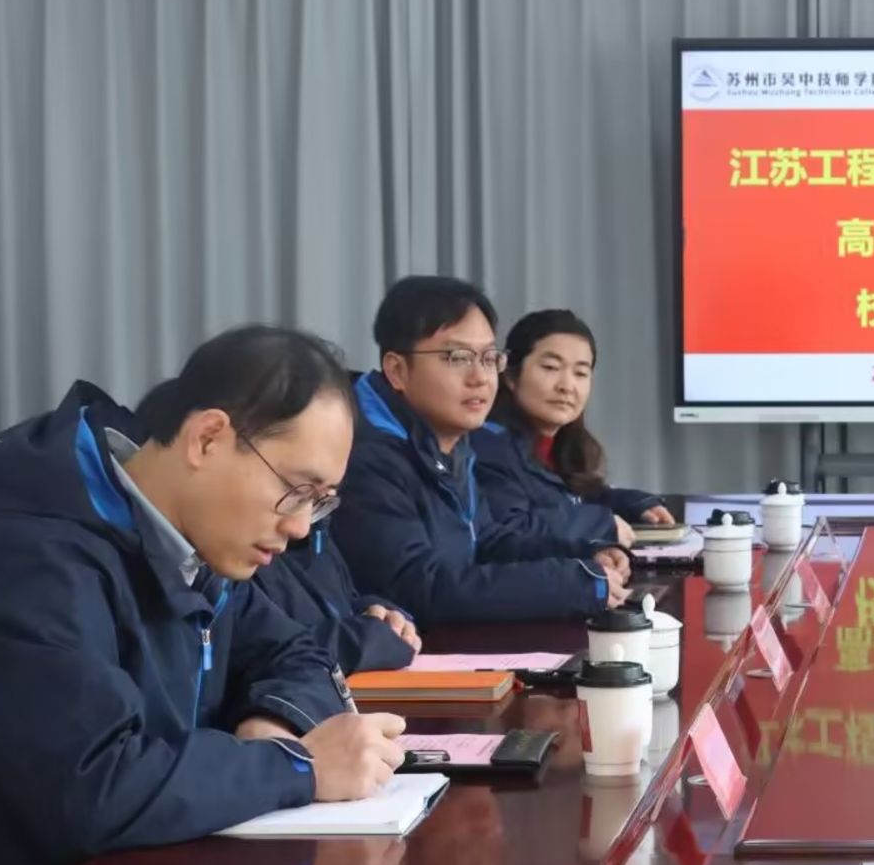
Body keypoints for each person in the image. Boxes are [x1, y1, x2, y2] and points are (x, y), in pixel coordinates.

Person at [0, 327, 406, 865]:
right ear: (208, 438)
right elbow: (93, 784)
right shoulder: (29, 554)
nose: (302, 527)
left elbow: (294, 649)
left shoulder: (195, 541)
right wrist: (296, 768)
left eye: (321, 501)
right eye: (296, 491)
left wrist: (272, 721)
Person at [333, 276, 634, 624]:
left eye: (489, 358)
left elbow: (486, 540)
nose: (480, 377)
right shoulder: (363, 454)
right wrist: (569, 585)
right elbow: (418, 586)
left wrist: (584, 556)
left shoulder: (449, 438)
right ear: (398, 370)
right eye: (458, 357)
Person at [477, 309, 673, 563]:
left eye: (580, 373)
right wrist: (601, 524)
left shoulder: (561, 446)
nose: (567, 386)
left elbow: (580, 498)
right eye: (551, 367)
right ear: (512, 376)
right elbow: (511, 529)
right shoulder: (489, 446)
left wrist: (638, 504)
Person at [255, 519, 420, 675]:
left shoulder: (318, 530)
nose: (301, 528)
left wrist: (384, 617)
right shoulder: (250, 557)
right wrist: (366, 637)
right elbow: (270, 652)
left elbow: (344, 600)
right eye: (298, 500)